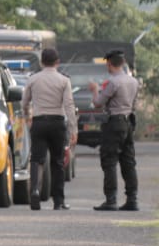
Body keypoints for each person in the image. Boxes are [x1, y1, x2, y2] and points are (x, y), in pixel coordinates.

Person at [21, 48, 78, 211]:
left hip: (39, 122)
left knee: (36, 159)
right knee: (58, 162)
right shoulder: (63, 81)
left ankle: (35, 191)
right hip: (57, 123)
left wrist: (28, 117)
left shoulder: (33, 79)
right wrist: (74, 130)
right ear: (57, 62)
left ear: (41, 62)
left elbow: (24, 102)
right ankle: (58, 201)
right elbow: (69, 105)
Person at [89, 49, 139, 211]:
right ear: (123, 63)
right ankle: (132, 199)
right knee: (128, 161)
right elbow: (134, 104)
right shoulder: (134, 81)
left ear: (110, 64)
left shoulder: (113, 82)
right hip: (128, 122)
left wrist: (94, 90)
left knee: (109, 160)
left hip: (114, 123)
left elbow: (98, 103)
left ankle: (111, 200)